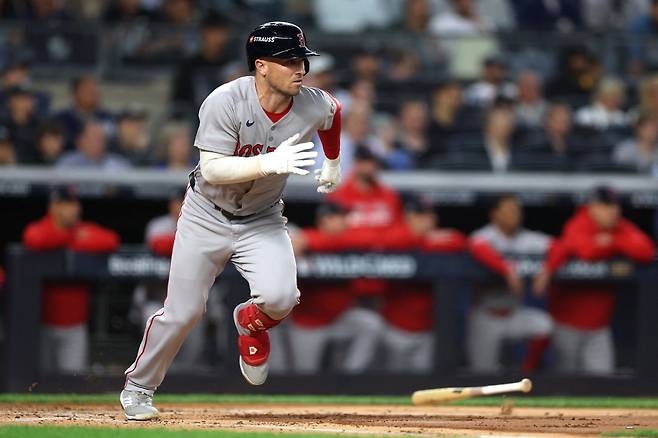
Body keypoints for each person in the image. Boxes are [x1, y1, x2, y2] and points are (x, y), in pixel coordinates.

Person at [120, 21, 342, 420]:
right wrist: (268, 162)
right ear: (261, 65)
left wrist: (334, 161)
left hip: (262, 217)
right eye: (290, 61)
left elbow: (334, 113)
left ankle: (249, 322)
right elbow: (213, 170)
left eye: (303, 61)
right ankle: (138, 387)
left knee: (280, 298)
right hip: (207, 213)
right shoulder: (225, 101)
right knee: (183, 312)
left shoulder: (311, 101)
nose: (301, 70)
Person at [533, 186, 655, 375]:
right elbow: (586, 251)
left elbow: (646, 251)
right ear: (592, 207)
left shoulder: (619, 227)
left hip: (599, 328)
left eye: (614, 206)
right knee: (563, 383)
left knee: (604, 382)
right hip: (567, 325)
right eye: (606, 206)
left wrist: (612, 241)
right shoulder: (578, 224)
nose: (613, 211)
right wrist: (611, 244)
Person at [22, 186, 120, 374]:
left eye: (75, 204)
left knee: (72, 380)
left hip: (75, 326)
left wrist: (69, 237)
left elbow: (111, 240)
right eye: (66, 204)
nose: (74, 209)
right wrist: (72, 237)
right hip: (42, 324)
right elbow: (34, 239)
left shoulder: (84, 229)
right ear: (53, 207)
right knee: (39, 379)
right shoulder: (43, 228)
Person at [287, 202, 384, 374]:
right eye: (340, 217)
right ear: (325, 220)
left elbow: (373, 239)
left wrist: (311, 241)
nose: (346, 221)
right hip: (308, 324)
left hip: (339, 319)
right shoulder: (307, 239)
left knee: (370, 324)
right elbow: (294, 244)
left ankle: (348, 378)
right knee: (304, 378)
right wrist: (308, 241)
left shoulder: (344, 241)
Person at [468, 194, 554, 373]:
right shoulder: (485, 235)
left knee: (544, 325)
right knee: (482, 373)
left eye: (516, 210)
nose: (514, 214)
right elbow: (476, 247)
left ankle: (526, 370)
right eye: (508, 210)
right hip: (486, 315)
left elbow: (559, 247)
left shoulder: (528, 239)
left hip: (514, 313)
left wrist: (547, 269)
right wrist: (506, 269)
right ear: (494, 214)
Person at [56, 121, 132, 170]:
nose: (98, 141)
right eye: (93, 137)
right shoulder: (67, 163)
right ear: (81, 141)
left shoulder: (119, 164)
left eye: (101, 137)